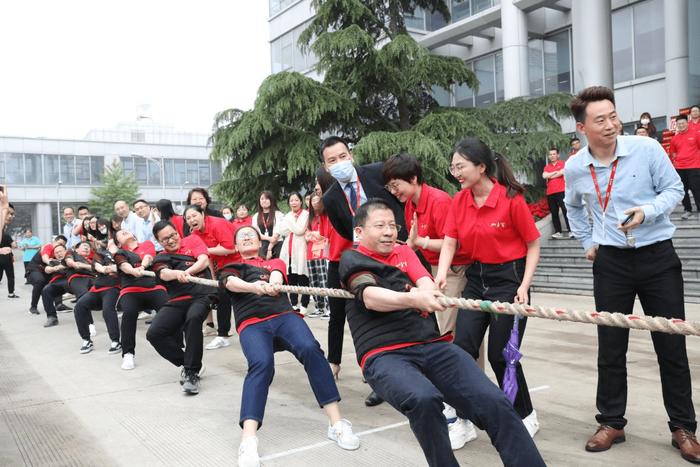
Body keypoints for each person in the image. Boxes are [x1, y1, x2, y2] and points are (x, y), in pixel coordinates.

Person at [339, 199, 544, 467]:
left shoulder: (404, 252)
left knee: (495, 401)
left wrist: (425, 292)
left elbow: (426, 282)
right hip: (384, 354)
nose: (389, 231)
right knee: (424, 398)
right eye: (380, 226)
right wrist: (412, 298)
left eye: (392, 225)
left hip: (431, 345)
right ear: (360, 231)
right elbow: (370, 297)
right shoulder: (352, 258)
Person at [564, 85, 700, 463]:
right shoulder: (576, 167)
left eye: (613, 116)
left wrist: (646, 211)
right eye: (600, 119)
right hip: (611, 263)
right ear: (582, 128)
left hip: (658, 258)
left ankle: (683, 428)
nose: (610, 125)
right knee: (610, 346)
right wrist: (586, 241)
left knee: (671, 346)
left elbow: (674, 189)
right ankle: (611, 421)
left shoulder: (646, 149)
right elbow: (572, 207)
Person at [218, 225, 360, 467]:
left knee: (310, 349)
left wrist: (271, 285)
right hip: (252, 323)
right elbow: (230, 282)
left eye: (250, 234)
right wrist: (254, 287)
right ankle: (249, 439)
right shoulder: (232, 267)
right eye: (241, 236)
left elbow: (276, 275)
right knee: (261, 364)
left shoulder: (274, 262)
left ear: (259, 241)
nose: (246, 236)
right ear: (236, 246)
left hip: (284, 316)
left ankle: (336, 423)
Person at [435, 138, 542, 439]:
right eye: (453, 166)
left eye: (461, 166)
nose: (455, 171)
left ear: (481, 167)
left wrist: (524, 285)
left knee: (500, 355)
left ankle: (526, 414)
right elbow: (450, 241)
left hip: (510, 281)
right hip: (476, 280)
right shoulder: (459, 200)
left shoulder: (511, 199)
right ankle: (465, 421)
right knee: (461, 351)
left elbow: (533, 245)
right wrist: (441, 276)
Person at [320, 135, 406, 407]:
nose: (339, 163)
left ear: (351, 155)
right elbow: (347, 231)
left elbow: (401, 201)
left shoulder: (378, 173)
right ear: (326, 166)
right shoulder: (331, 198)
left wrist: (398, 235)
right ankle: (380, 380)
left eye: (342, 156)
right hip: (366, 260)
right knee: (372, 317)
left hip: (399, 251)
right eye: (332, 160)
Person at [381, 153, 470, 336]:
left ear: (413, 178)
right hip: (435, 269)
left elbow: (454, 244)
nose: (393, 191)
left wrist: (422, 242)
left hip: (455, 269)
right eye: (389, 187)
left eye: (396, 185)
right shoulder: (409, 204)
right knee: (446, 327)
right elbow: (413, 242)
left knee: (449, 330)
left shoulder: (439, 201)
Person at [148, 220, 214, 395]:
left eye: (173, 235)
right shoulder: (161, 257)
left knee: (192, 320)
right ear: (159, 242)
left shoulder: (192, 241)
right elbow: (164, 273)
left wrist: (188, 272)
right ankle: (189, 363)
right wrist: (177, 274)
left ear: (178, 232)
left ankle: (191, 373)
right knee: (154, 333)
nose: (171, 240)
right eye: (165, 239)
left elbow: (204, 260)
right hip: (177, 300)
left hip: (202, 295)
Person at [184, 204, 238, 350]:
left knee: (228, 295)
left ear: (202, 214)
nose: (191, 220)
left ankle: (222, 335)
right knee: (219, 293)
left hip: (239, 262)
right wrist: (212, 280)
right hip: (220, 267)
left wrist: (205, 249)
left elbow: (230, 248)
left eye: (194, 215)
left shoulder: (217, 224)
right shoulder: (194, 234)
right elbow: (206, 258)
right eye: (188, 218)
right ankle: (222, 334)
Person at [113, 230, 168, 370]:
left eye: (126, 230)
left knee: (169, 309)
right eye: (120, 233)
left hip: (153, 287)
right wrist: (132, 271)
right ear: (118, 242)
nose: (124, 231)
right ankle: (128, 353)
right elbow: (123, 266)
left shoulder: (146, 244)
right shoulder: (120, 253)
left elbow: (149, 257)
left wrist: (142, 267)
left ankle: (178, 343)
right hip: (130, 289)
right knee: (129, 313)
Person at [73, 239, 122, 354]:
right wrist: (105, 269)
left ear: (119, 244)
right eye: (109, 243)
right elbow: (97, 265)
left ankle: (115, 341)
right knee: (79, 306)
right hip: (97, 289)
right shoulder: (101, 254)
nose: (110, 244)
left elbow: (124, 267)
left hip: (113, 288)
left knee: (107, 310)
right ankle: (86, 340)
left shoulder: (124, 254)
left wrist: (115, 268)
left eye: (113, 242)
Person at [278, 192, 310, 313]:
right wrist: (292, 225)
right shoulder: (288, 215)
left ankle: (304, 305)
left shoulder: (306, 214)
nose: (294, 203)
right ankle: (293, 303)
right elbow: (282, 231)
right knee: (291, 276)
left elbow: (300, 230)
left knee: (303, 276)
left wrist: (289, 222)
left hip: (301, 247)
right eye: (291, 200)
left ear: (301, 202)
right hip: (288, 248)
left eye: (296, 200)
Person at [26, 235, 67, 314]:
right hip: (34, 270)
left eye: (62, 245)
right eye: (59, 243)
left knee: (58, 279)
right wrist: (51, 262)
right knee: (40, 281)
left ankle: (59, 305)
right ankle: (33, 307)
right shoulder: (48, 246)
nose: (59, 246)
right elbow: (45, 258)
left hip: (46, 272)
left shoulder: (59, 252)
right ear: (54, 242)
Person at [669, 114, 700, 220]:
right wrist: (676, 162)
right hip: (680, 168)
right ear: (676, 125)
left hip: (694, 166)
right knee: (682, 190)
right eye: (678, 124)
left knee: (696, 188)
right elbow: (672, 153)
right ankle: (688, 210)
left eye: (683, 123)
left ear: (687, 123)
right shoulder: (674, 139)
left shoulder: (696, 134)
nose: (681, 125)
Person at [305, 192, 330, 318]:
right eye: (312, 201)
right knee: (314, 280)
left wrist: (314, 235)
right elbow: (306, 235)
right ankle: (318, 307)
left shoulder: (325, 215)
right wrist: (312, 235)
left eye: (317, 200)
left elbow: (324, 235)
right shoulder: (310, 218)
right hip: (310, 252)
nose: (315, 203)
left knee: (324, 280)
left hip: (322, 252)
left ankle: (328, 308)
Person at [542, 147, 571, 238]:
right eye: (550, 154)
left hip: (561, 191)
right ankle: (558, 231)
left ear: (558, 155)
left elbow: (562, 172)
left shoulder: (563, 163)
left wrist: (550, 175)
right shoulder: (547, 167)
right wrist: (556, 172)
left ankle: (571, 230)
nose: (552, 156)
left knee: (566, 210)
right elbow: (544, 176)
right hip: (550, 193)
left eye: (554, 154)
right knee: (554, 213)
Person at [41, 244, 70, 327]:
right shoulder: (53, 262)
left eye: (60, 251)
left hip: (72, 281)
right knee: (46, 290)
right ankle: (52, 317)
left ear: (66, 251)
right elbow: (47, 269)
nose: (58, 254)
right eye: (56, 253)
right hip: (58, 283)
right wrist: (55, 268)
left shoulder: (71, 258)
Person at [251, 191, 284, 259]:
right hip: (262, 246)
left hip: (277, 245)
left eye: (266, 199)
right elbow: (256, 233)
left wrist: (269, 249)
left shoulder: (278, 214)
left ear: (271, 200)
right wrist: (269, 238)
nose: (264, 201)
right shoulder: (256, 216)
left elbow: (277, 233)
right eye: (262, 199)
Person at [0, 204, 18, 298]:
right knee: (10, 276)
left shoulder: (4, 231)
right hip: (6, 257)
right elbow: (14, 245)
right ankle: (11, 293)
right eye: (8, 213)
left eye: (12, 214)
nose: (11, 216)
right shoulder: (6, 235)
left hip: (7, 256)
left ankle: (11, 293)